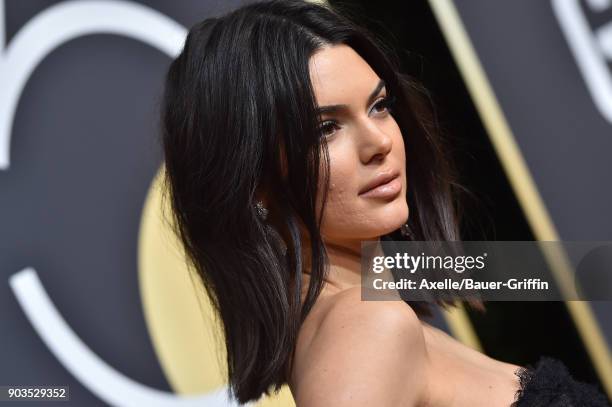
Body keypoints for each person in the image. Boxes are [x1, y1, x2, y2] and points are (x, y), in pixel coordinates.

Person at [159, 0, 611, 405]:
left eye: (379, 105)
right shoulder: (369, 326)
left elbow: (567, 270)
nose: (379, 141)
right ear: (255, 182)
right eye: (325, 129)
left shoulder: (368, 304)